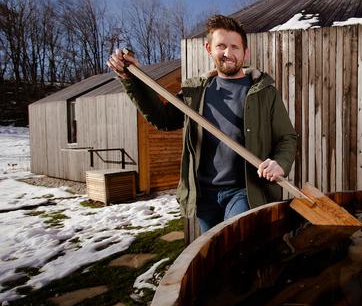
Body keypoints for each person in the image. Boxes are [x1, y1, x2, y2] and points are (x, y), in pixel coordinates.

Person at [107, 15, 297, 233]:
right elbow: (163, 119)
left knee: (234, 245)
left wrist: (279, 162)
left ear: (246, 52)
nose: (228, 53)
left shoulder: (264, 92)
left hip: (245, 191)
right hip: (204, 195)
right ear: (209, 49)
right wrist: (132, 79)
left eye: (235, 47)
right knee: (215, 256)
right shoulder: (194, 92)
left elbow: (287, 137)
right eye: (221, 46)